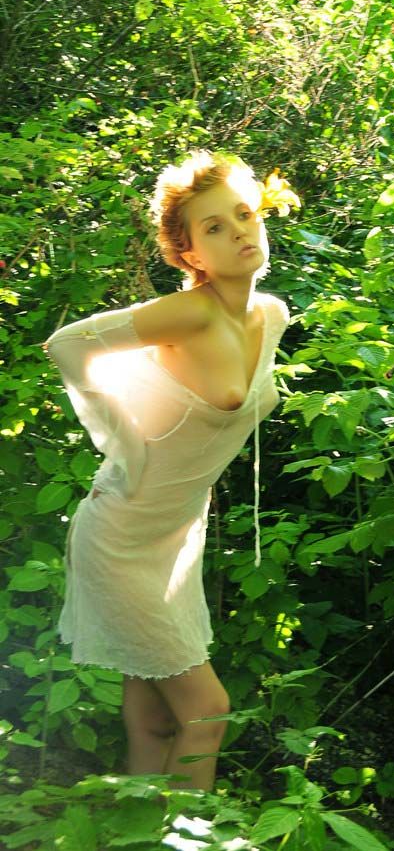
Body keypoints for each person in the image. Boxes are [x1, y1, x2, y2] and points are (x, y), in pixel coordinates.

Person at [44, 151, 298, 791]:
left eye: (244, 214)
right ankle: (190, 836)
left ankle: (138, 829)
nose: (239, 231)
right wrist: (121, 441)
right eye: (214, 227)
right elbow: (69, 345)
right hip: (122, 535)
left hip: (173, 536)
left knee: (153, 718)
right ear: (189, 254)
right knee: (207, 713)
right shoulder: (189, 314)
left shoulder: (270, 315)